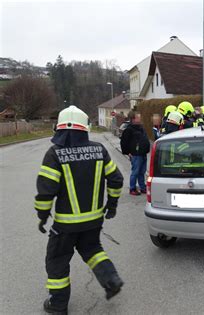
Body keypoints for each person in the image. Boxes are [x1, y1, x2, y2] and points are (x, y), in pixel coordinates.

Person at [35, 105, 124, 314]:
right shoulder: (99, 150)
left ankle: (57, 305)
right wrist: (111, 205)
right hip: (93, 222)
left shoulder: (55, 153)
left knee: (57, 260)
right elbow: (116, 179)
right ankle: (112, 280)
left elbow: (46, 191)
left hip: (65, 226)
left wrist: (42, 215)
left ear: (60, 129)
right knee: (93, 251)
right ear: (85, 128)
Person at [120, 110, 150, 196]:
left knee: (142, 172)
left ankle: (142, 187)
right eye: (138, 117)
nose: (140, 118)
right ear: (132, 119)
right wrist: (127, 152)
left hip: (143, 153)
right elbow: (124, 142)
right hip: (135, 155)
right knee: (135, 172)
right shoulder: (129, 130)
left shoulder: (141, 128)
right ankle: (132, 188)